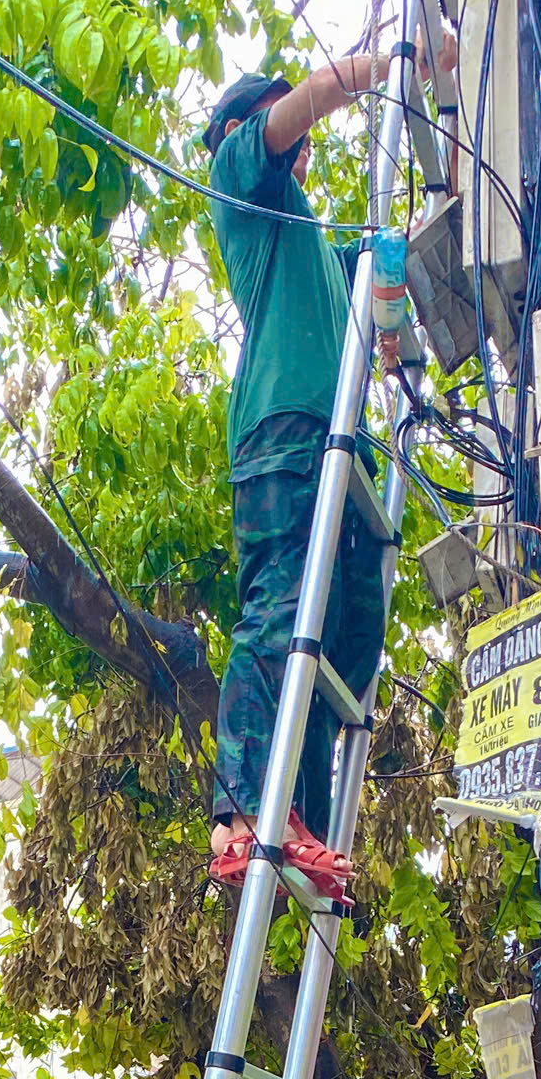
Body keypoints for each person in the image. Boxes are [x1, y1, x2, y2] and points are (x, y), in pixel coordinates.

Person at [202, 50, 430, 896]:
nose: (298, 147)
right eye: (279, 127)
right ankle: (239, 815)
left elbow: (385, 303)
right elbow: (305, 105)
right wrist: (393, 63)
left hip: (341, 459)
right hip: (281, 441)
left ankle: (296, 817)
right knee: (278, 622)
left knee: (342, 651)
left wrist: (395, 302)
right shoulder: (244, 193)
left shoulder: (316, 247)